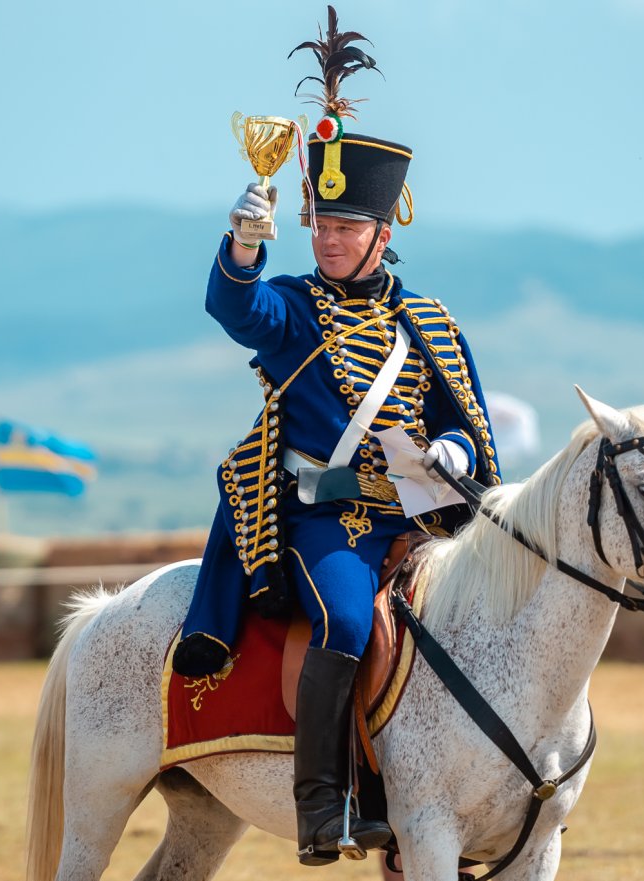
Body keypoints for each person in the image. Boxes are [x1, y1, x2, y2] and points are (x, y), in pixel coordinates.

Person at [172, 8, 499, 866]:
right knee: (349, 619)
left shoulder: (428, 320)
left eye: (345, 227)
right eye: (319, 224)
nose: (325, 237)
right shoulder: (293, 308)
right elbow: (235, 308)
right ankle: (324, 804)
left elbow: (463, 424)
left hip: (420, 520)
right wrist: (244, 245)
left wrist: (456, 453)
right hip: (331, 522)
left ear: (383, 234)